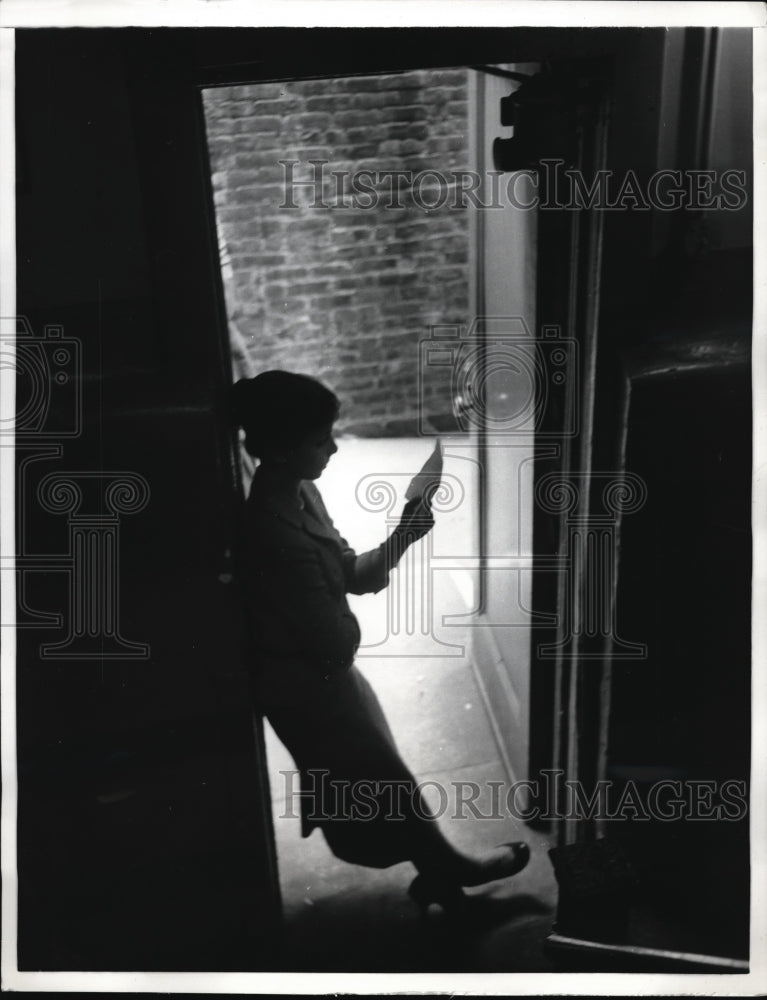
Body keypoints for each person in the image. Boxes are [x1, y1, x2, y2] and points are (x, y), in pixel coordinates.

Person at [231, 370, 529, 914]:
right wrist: (345, 617)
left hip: (321, 672)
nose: (334, 447)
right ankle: (450, 871)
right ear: (280, 447)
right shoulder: (271, 531)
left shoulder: (299, 490)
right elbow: (334, 641)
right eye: (321, 438)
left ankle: (441, 874)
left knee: (384, 774)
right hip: (305, 683)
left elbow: (348, 571)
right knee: (379, 782)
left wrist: (401, 537)